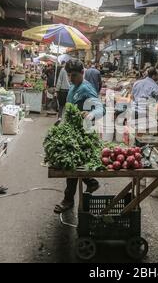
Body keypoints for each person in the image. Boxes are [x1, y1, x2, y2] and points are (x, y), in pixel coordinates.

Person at [54, 60, 104, 213]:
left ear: (82, 72)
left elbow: (101, 109)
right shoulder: (74, 86)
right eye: (69, 75)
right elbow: (70, 106)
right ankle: (91, 182)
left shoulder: (86, 88)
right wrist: (62, 120)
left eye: (74, 75)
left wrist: (90, 114)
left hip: (82, 133)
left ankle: (68, 200)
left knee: (72, 167)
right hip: (71, 130)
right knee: (76, 165)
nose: (70, 79)